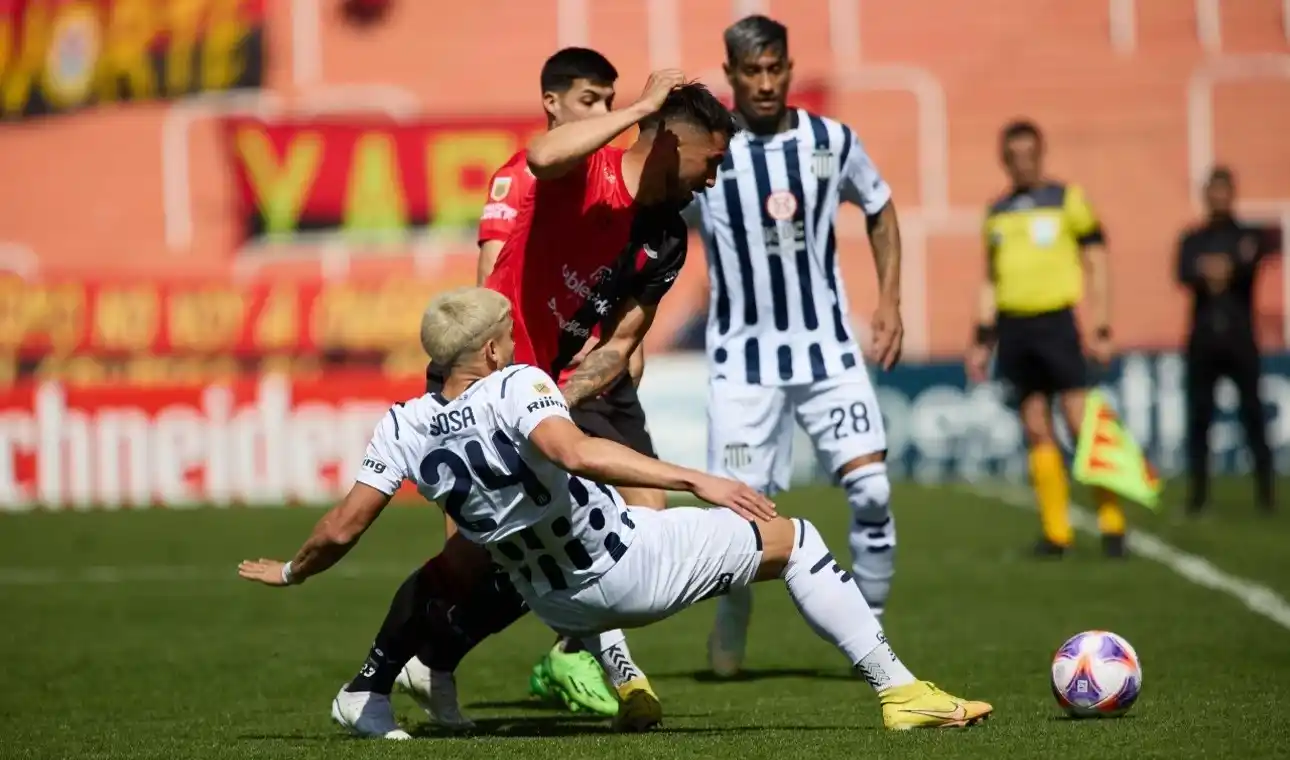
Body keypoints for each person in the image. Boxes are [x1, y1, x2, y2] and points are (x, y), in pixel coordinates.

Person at [238, 287, 994, 734]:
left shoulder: (400, 424)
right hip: (624, 569)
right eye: (506, 331)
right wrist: (698, 478)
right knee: (796, 539)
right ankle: (900, 691)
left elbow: (343, 527)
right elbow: (574, 452)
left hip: (554, 600)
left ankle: (600, 677)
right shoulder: (515, 384)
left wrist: (295, 570)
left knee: (481, 552)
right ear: (494, 349)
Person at [257, 73, 736, 739]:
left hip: (551, 387)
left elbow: (622, 341)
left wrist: (547, 407)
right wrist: (643, 108)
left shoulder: (667, 237)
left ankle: (578, 666)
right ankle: (389, 676)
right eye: (712, 161)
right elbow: (519, 209)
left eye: (609, 99)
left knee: (586, 534)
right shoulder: (568, 169)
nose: (716, 178)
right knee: (478, 558)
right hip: (491, 375)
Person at [399, 47, 666, 726]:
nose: (603, 114)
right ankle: (415, 662)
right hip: (516, 376)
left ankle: (588, 650)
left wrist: (619, 346)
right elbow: (493, 276)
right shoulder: (525, 174)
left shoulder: (626, 183)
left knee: (646, 514)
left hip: (584, 374)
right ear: (552, 103)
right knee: (484, 548)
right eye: (589, 101)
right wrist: (495, 383)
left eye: (611, 101)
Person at [693, 15, 905, 678]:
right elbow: (655, 229)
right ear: (728, 75)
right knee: (741, 521)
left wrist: (890, 302)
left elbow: (879, 205)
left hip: (827, 351)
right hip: (741, 364)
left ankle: (868, 629)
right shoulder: (708, 149)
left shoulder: (832, 142)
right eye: (750, 71)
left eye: (774, 68)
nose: (764, 82)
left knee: (871, 492)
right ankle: (732, 618)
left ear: (788, 68)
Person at [966, 120, 1126, 558]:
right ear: (1005, 160)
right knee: (1036, 425)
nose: (1022, 164)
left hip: (1058, 323)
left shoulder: (1067, 200)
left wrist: (1101, 324)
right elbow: (990, 280)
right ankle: (1058, 534)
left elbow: (1097, 259)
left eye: (1029, 154)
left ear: (1041, 153)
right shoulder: (996, 211)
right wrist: (982, 338)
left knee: (1079, 422)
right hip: (1015, 329)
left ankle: (1113, 524)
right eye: (1013, 156)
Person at [1176, 166, 1276, 515]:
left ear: (1232, 194)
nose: (1218, 197)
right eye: (1212, 191)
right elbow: (1185, 272)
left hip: (1240, 339)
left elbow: (1263, 250)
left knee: (1253, 416)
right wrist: (1221, 268)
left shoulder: (1248, 234)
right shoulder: (1192, 238)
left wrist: (1225, 266)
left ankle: (1266, 495)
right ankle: (1198, 496)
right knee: (1199, 419)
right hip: (1203, 341)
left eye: (1223, 191)